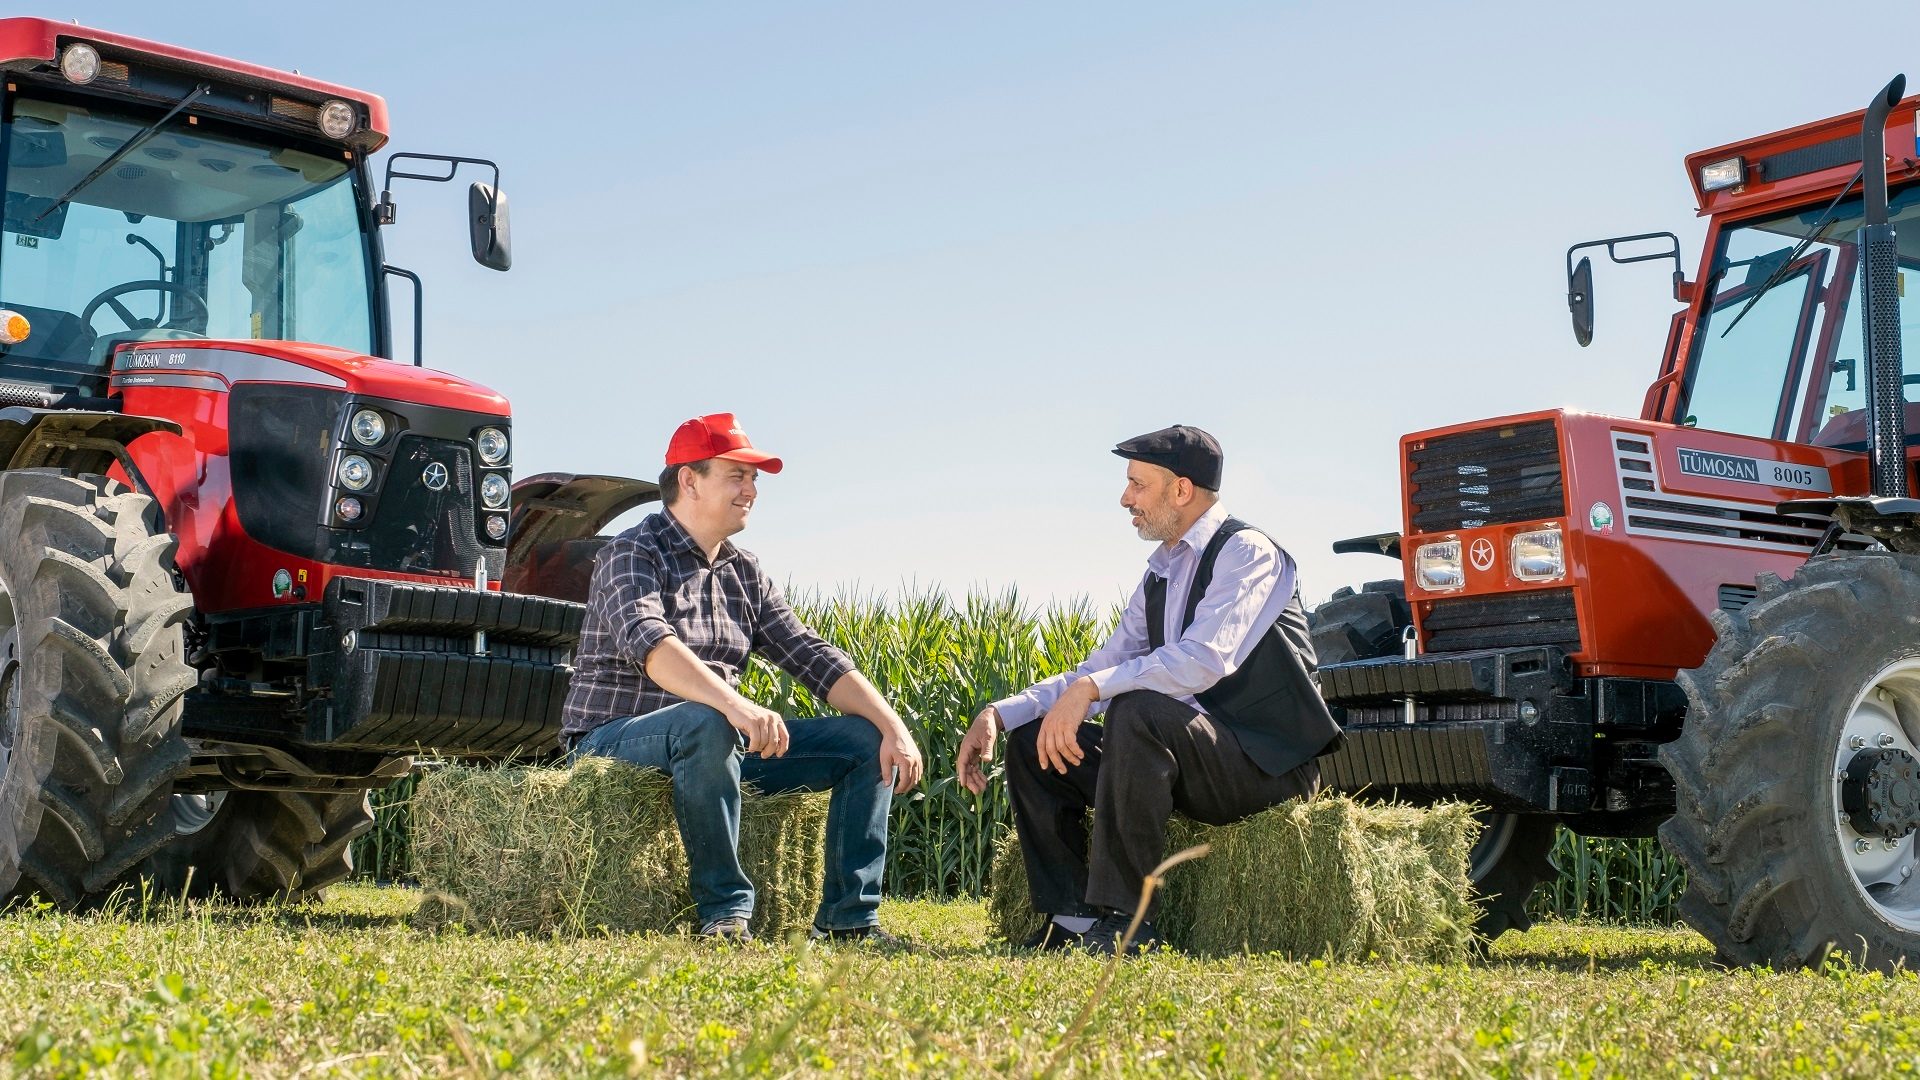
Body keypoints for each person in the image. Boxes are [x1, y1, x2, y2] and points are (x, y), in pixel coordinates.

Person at [953, 425, 1343, 955]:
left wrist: (1094, 688)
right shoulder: (1160, 573)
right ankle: (1069, 919)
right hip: (1188, 757)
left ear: (1180, 490)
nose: (1125, 499)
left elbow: (1205, 659)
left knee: (1136, 709)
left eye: (1137, 485)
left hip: (1263, 765)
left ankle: (1129, 925)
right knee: (1034, 741)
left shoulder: (1246, 552)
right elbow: (1108, 663)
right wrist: (1000, 715)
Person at [563, 412, 925, 943]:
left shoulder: (744, 570)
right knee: (705, 721)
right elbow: (653, 648)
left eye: (754, 479)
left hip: (716, 740)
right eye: (738, 476)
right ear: (690, 480)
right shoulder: (632, 552)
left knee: (863, 740)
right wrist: (735, 705)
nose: (752, 490)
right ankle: (726, 912)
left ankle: (850, 918)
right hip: (617, 737)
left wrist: (892, 726)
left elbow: (809, 654)